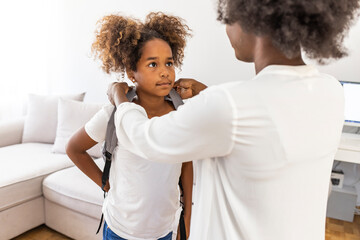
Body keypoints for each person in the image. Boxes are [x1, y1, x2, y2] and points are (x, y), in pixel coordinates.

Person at [106, 0, 360, 239]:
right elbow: (262, 118)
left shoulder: (229, 104)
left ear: (252, 20)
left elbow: (145, 138)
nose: (227, 29)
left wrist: (119, 96)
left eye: (229, 19)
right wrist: (208, 94)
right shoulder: (331, 91)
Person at [66, 12, 193, 240]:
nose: (165, 71)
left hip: (164, 229)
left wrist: (186, 219)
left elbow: (186, 164)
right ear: (131, 73)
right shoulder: (114, 113)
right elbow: (74, 149)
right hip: (120, 230)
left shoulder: (180, 111)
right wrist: (105, 184)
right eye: (153, 64)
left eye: (169, 63)